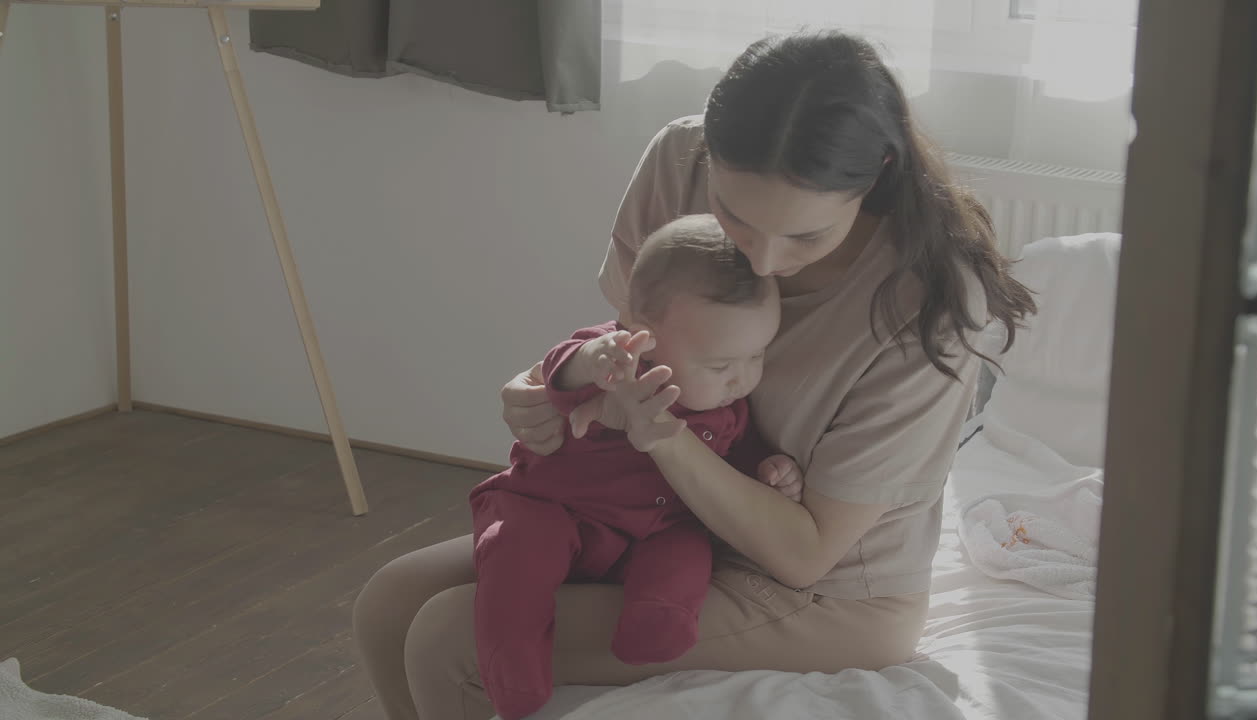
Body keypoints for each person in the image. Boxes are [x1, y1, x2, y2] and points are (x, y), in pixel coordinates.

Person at [352, 30, 1035, 720]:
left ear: (877, 175)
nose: (764, 262)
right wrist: (543, 386)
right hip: (658, 514)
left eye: (805, 236)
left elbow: (805, 553)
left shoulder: (932, 301)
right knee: (390, 600)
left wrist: (665, 437)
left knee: (449, 638)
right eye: (734, 218)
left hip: (823, 589)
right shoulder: (679, 161)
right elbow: (634, 345)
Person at [469, 214, 799, 719]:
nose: (741, 378)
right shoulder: (616, 363)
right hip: (554, 509)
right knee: (516, 557)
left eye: (756, 356)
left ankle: (656, 626)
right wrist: (595, 359)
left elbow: (735, 459)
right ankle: (512, 669)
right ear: (642, 336)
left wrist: (770, 471)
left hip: (658, 527)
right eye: (720, 365)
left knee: (688, 555)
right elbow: (560, 369)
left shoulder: (728, 406)